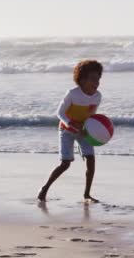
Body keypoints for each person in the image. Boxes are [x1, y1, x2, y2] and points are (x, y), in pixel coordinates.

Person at [37, 60, 103, 203]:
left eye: (98, 78)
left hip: (82, 131)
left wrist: (89, 130)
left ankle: (87, 194)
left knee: (91, 160)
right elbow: (60, 113)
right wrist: (71, 124)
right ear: (82, 79)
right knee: (65, 164)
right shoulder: (72, 94)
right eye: (92, 79)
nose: (96, 82)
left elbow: (91, 116)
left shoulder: (97, 96)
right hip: (66, 130)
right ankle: (44, 189)